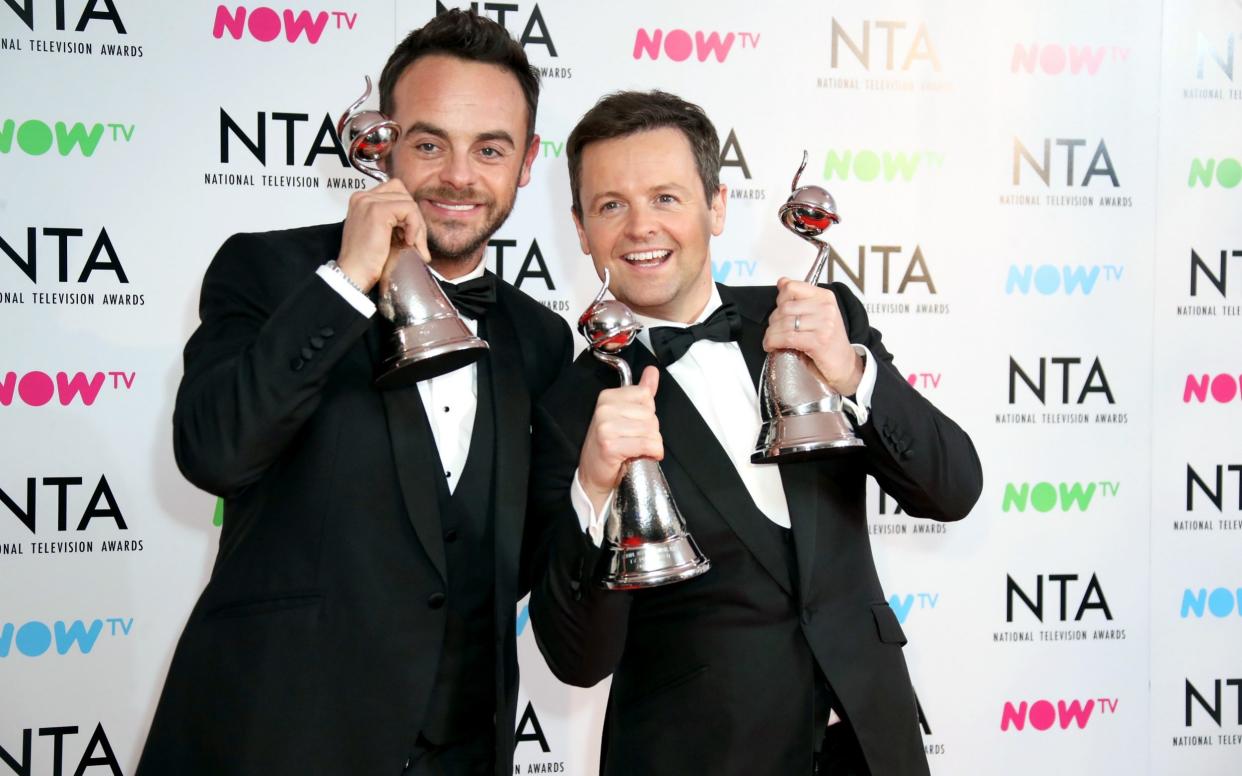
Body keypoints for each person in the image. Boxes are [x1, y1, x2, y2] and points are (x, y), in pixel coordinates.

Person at [138, 10, 571, 776]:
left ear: (529, 162)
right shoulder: (270, 274)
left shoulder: (539, 337)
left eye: (490, 149)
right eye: (429, 142)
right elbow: (213, 453)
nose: (459, 176)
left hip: (462, 750)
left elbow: (527, 549)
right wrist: (343, 284)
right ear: (381, 141)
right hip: (274, 740)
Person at [527, 90, 982, 776]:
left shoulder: (814, 317)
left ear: (717, 205)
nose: (640, 227)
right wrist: (593, 493)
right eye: (611, 205)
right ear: (582, 229)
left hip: (871, 742)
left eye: (666, 197)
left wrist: (854, 373)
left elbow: (952, 490)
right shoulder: (570, 407)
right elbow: (577, 659)